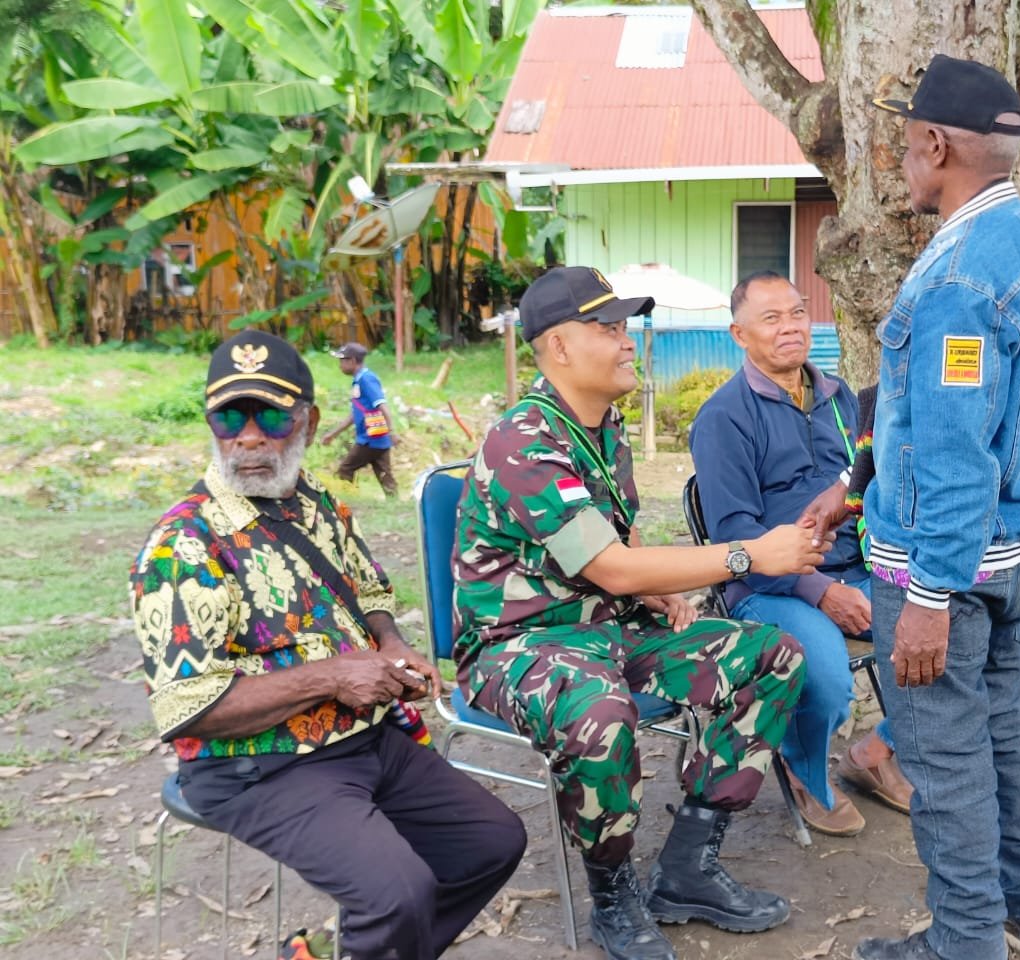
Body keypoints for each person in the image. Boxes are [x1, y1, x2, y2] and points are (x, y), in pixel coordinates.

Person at [453, 266, 831, 960]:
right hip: (519, 644)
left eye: (625, 328)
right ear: (559, 347)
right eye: (608, 330)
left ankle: (689, 862)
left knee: (772, 656)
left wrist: (655, 590)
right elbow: (612, 567)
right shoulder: (524, 438)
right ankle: (612, 891)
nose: (627, 344)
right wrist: (749, 556)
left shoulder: (603, 425)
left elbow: (615, 545)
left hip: (607, 626)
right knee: (600, 713)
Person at [804, 55, 1020, 960]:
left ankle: (963, 945)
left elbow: (957, 452)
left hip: (944, 570)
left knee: (947, 758)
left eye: (904, 143)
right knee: (1005, 725)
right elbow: (965, 426)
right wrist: (861, 491)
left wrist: (928, 593)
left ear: (932, 144)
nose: (901, 162)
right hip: (1014, 551)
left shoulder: (960, 277)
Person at [130, 330, 525, 960]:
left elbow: (369, 591)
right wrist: (331, 677)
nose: (250, 436)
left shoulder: (317, 503)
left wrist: (391, 644)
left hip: (364, 735)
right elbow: (188, 709)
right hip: (260, 764)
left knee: (492, 842)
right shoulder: (184, 546)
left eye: (273, 417)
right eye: (229, 416)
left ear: (309, 421)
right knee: (396, 893)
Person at [690, 271, 910, 836]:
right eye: (771, 318)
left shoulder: (840, 397)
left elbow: (867, 479)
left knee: (953, 637)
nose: (790, 327)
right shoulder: (723, 418)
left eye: (797, 312)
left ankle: (874, 753)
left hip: (858, 565)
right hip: (768, 586)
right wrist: (821, 591)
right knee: (827, 676)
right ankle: (805, 767)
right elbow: (734, 533)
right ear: (739, 334)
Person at [321, 341, 398, 498]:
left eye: (342, 361)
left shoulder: (366, 380)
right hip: (378, 439)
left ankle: (351, 500)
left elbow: (382, 404)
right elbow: (354, 414)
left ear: (353, 361)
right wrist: (333, 434)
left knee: (345, 469)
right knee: (385, 477)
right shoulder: (358, 380)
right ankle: (395, 504)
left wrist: (392, 431)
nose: (340, 365)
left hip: (370, 439)